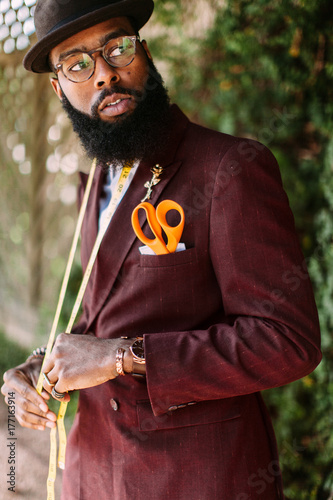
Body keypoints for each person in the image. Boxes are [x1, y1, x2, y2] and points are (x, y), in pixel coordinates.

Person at [1, 1, 321, 499]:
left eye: (118, 48)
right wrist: (41, 366)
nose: (105, 74)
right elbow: (100, 322)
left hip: (197, 480)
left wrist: (122, 358)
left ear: (144, 54)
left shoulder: (229, 169)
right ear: (58, 86)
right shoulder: (96, 183)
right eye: (78, 64)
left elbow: (287, 342)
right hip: (93, 476)